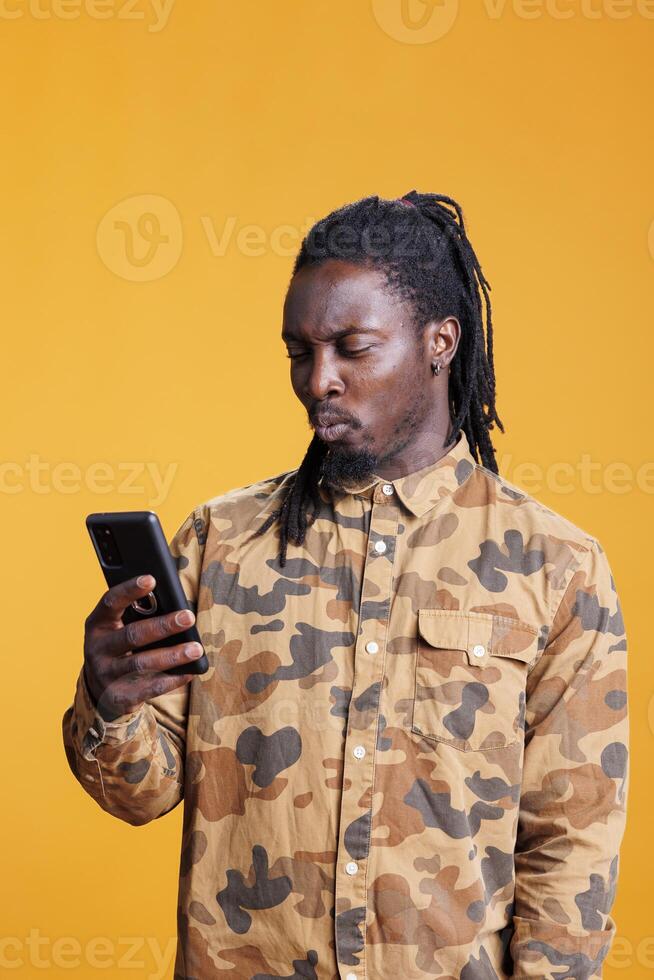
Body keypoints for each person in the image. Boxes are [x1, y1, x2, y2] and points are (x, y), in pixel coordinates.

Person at [62, 191, 629, 980]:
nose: (317, 380)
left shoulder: (556, 567)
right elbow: (139, 795)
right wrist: (110, 700)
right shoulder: (219, 543)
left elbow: (572, 850)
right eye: (298, 351)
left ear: (439, 342)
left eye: (352, 348)